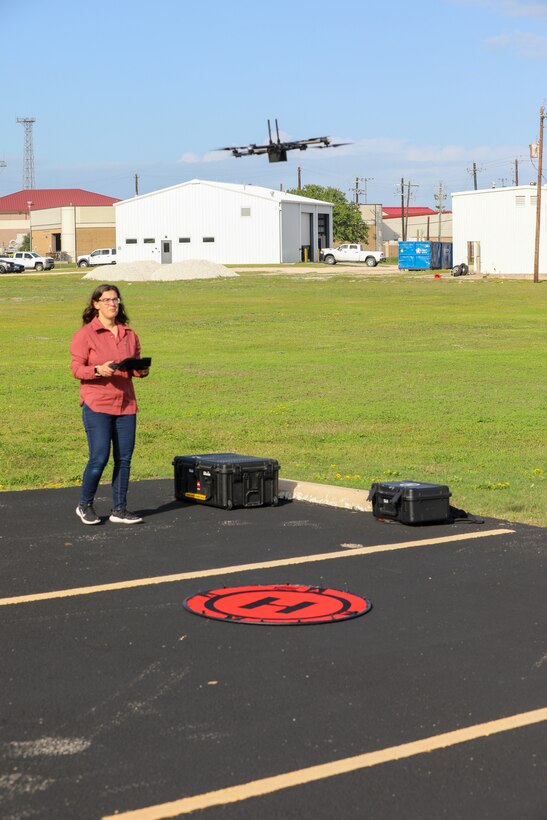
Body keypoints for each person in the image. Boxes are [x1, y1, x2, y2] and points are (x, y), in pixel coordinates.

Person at [70, 283, 149, 525]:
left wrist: (141, 370)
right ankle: (85, 505)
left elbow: (135, 366)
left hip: (126, 405)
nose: (112, 304)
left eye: (115, 300)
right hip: (97, 404)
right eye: (106, 300)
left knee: (124, 459)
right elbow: (76, 369)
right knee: (100, 457)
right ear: (95, 304)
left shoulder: (129, 333)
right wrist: (97, 370)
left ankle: (120, 509)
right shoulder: (85, 335)